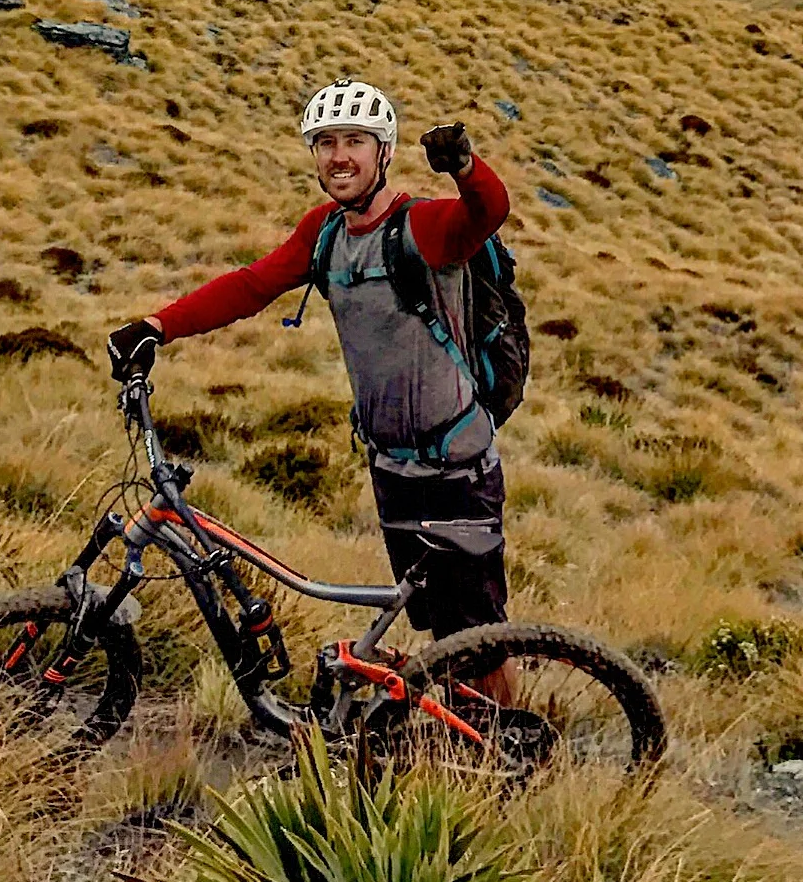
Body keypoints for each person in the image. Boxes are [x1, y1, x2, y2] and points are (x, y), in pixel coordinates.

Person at [108, 79, 514, 682]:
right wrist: (157, 326)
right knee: (434, 624)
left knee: (477, 637)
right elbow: (250, 287)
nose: (339, 156)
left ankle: (509, 757)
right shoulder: (323, 233)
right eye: (325, 143)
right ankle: (456, 736)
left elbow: (487, 213)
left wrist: (465, 168)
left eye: (355, 141)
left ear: (384, 152)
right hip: (392, 468)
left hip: (455, 469)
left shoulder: (422, 228)